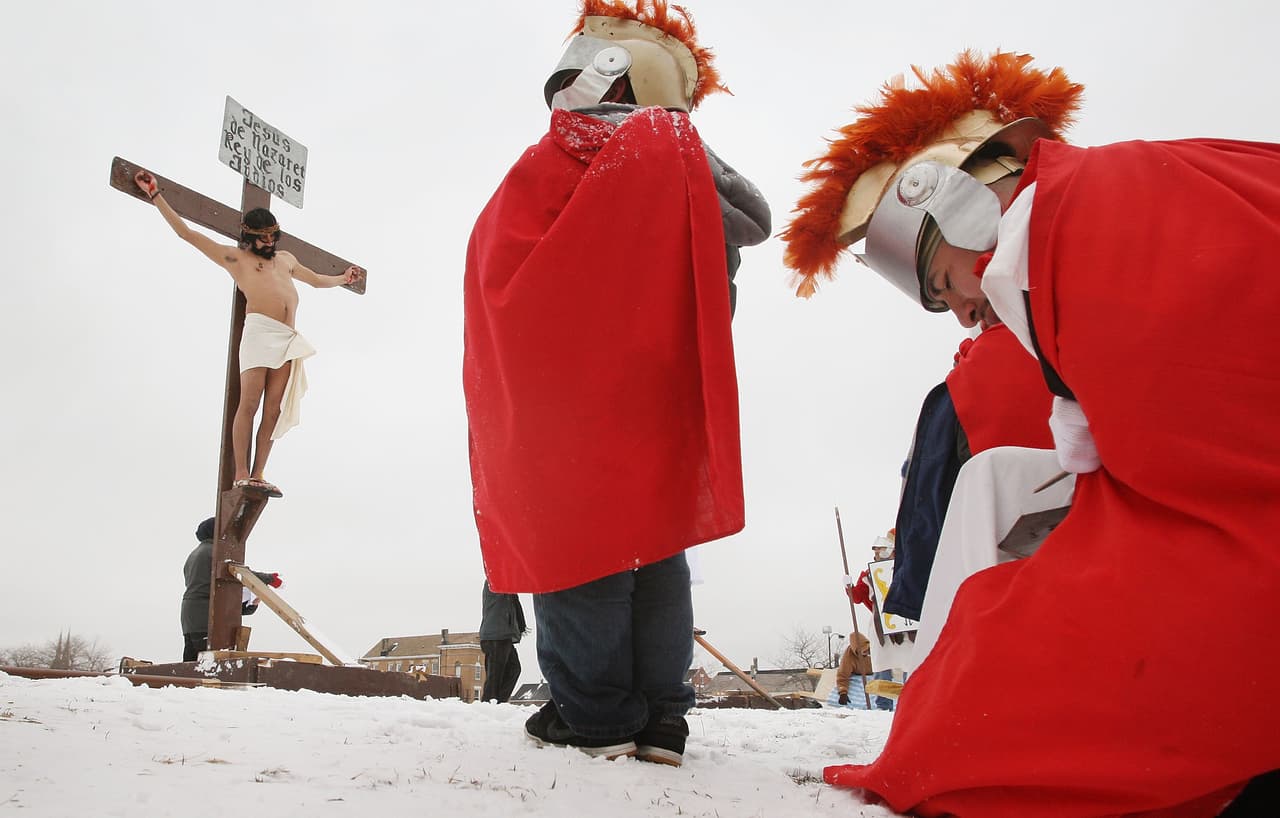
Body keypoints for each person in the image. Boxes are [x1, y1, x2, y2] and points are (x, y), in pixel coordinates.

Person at [783, 49, 1280, 816]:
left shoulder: (1078, 236)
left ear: (962, 205)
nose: (963, 313)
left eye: (945, 284)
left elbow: (1198, 479)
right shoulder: (1098, 209)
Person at [463, 0, 769, 767]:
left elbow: (511, 269)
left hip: (572, 395)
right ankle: (663, 716)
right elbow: (716, 294)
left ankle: (595, 714)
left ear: (604, 71)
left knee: (580, 535)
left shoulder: (577, 153)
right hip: (658, 394)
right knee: (655, 541)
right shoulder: (693, 176)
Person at [133, 170, 363, 498]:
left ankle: (258, 473)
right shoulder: (236, 258)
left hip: (287, 337)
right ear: (250, 237)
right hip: (258, 333)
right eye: (263, 239)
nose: (269, 244)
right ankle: (241, 472)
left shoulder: (285, 260)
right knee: (250, 401)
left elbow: (314, 280)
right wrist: (156, 195)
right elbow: (187, 234)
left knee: (274, 408)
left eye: (273, 238)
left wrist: (343, 279)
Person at [181, 516, 281, 661]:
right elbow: (235, 571)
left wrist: (249, 606)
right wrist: (269, 578)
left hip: (191, 618)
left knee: (191, 664)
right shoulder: (215, 552)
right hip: (207, 619)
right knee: (211, 664)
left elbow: (214, 589)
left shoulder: (195, 554)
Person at [479, 580, 527, 703]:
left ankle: (498, 702)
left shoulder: (507, 589)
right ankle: (489, 705)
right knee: (495, 677)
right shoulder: (495, 582)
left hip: (503, 635)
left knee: (514, 669)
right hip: (495, 635)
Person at [833, 630, 892, 711]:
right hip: (858, 677)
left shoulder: (875, 650)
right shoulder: (849, 657)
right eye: (863, 652)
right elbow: (843, 676)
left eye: (867, 650)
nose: (866, 653)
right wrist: (843, 693)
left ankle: (885, 705)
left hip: (876, 674)